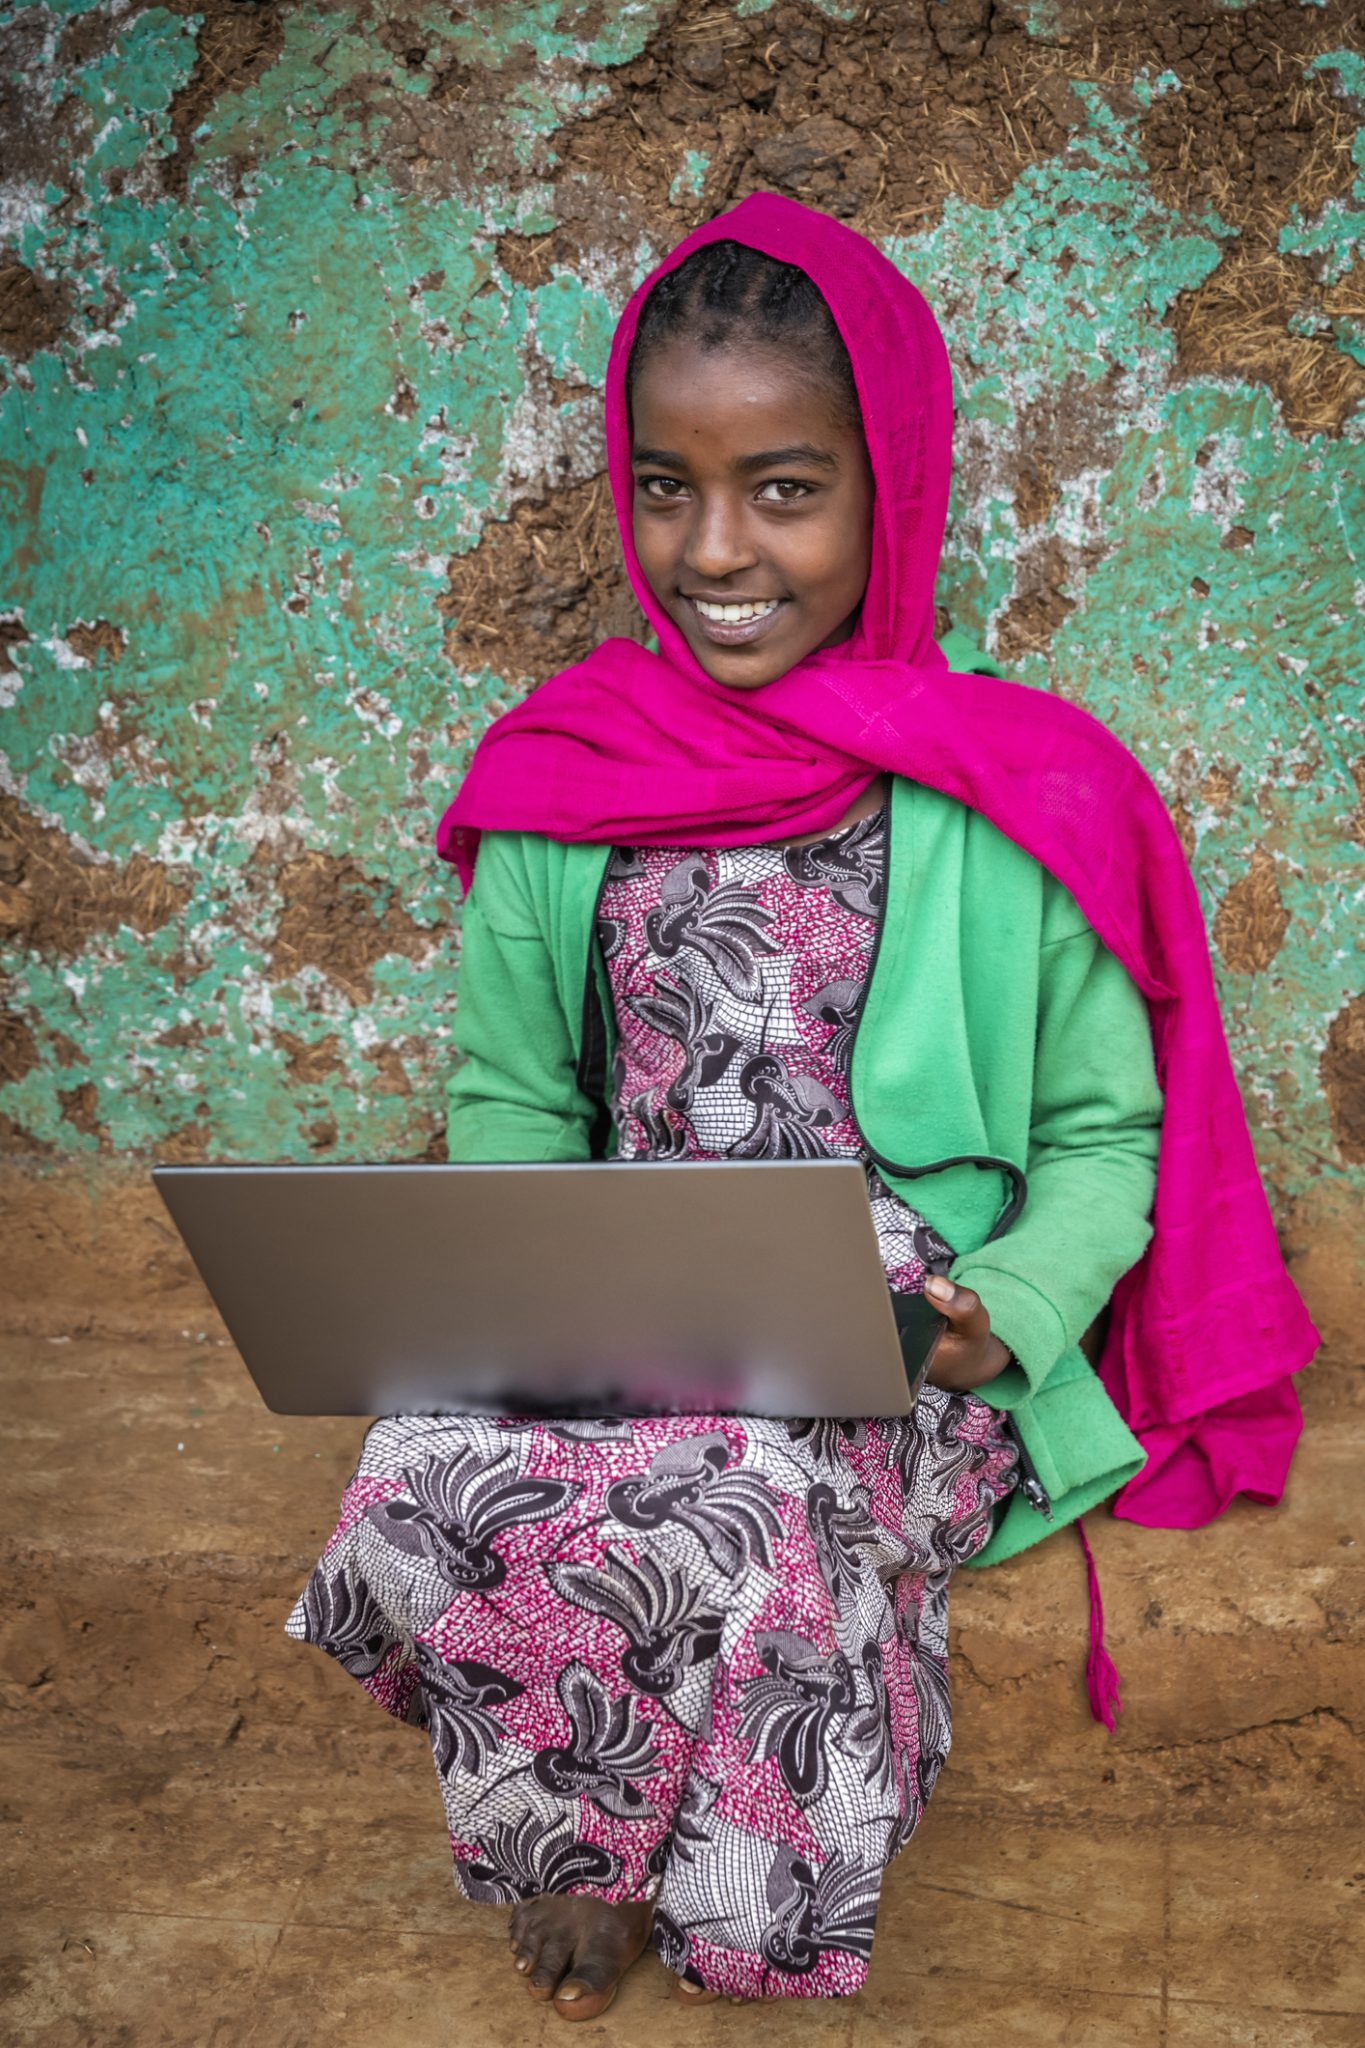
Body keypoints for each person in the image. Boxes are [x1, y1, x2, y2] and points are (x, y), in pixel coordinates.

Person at [286, 195, 1314, 2017]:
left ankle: (715, 1905)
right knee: (427, 1472)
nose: (715, 548)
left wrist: (993, 1321)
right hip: (636, 1275)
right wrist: (520, 1288)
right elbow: (515, 1094)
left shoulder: (1021, 788)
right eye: (666, 487)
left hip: (913, 1322)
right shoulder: (566, 777)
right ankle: (584, 1848)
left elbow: (1102, 1141)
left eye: (783, 485)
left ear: (888, 482)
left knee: (749, 1492)